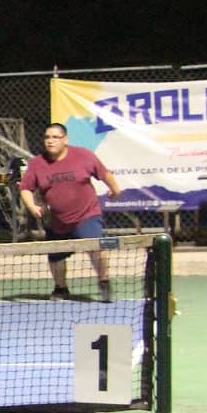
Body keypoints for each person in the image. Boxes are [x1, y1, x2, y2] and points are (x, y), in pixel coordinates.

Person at [18, 123, 123, 301]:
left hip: (87, 215)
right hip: (57, 222)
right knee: (55, 255)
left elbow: (105, 174)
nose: (50, 141)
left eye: (55, 137)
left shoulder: (83, 155)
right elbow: (25, 188)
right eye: (47, 137)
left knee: (97, 246)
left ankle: (104, 282)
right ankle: (61, 288)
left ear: (65, 139)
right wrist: (31, 206)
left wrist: (115, 189)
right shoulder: (37, 164)